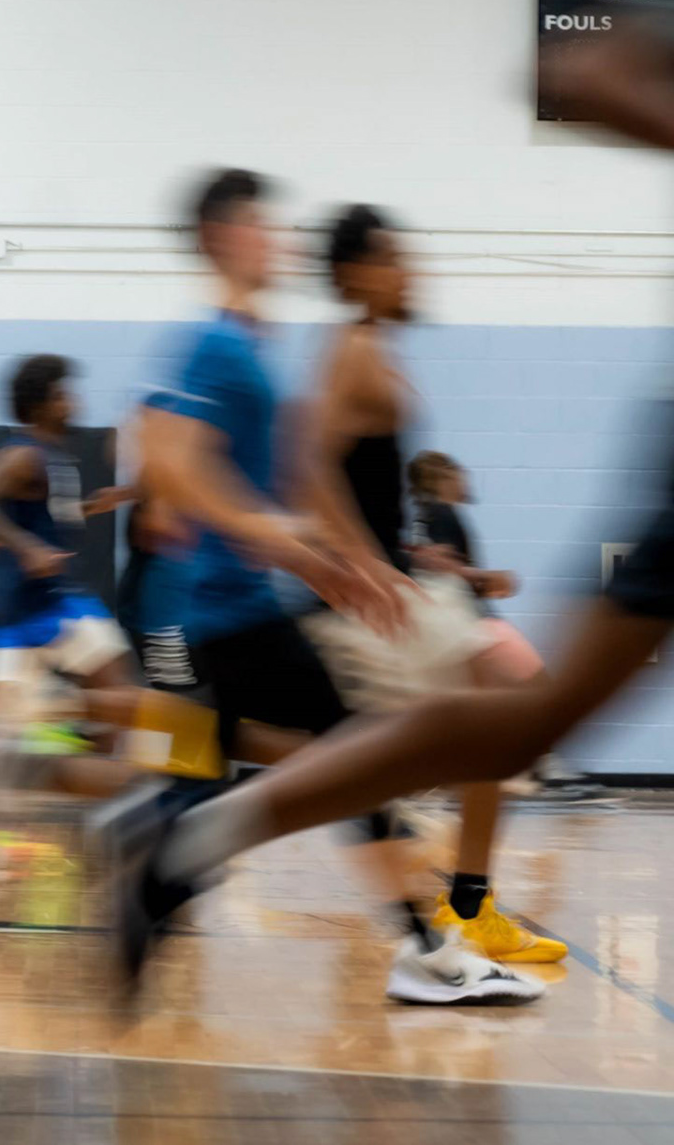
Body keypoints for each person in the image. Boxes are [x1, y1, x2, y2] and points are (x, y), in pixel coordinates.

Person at [101, 168, 539, 1006]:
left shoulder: (246, 341)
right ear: (224, 237)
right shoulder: (216, 343)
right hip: (209, 616)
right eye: (265, 227)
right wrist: (280, 538)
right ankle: (174, 847)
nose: (281, 241)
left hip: (239, 609)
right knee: (342, 762)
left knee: (305, 767)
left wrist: (327, 562)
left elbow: (257, 476)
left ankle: (170, 851)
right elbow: (161, 456)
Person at [300, 204, 562, 965]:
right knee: (505, 705)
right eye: (392, 258)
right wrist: (362, 561)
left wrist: (399, 557)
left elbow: (361, 480)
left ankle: (465, 902)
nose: (409, 269)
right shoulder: (349, 347)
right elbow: (308, 464)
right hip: (370, 601)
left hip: (402, 589)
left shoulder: (378, 349)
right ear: (353, 273)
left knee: (509, 712)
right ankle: (451, 910)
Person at [407, 451, 608, 803]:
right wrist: (485, 578)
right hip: (471, 624)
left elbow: (425, 563)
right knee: (539, 690)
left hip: (453, 628)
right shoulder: (440, 512)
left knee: (481, 707)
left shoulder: (424, 516)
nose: (467, 482)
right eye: (461, 474)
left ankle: (473, 779)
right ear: (444, 477)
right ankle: (549, 769)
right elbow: (435, 565)